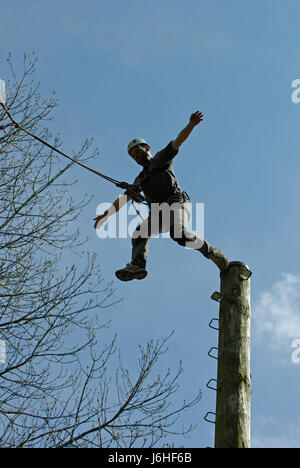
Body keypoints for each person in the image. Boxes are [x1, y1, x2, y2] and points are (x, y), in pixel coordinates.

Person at [94, 111, 229, 281]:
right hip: (158, 212)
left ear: (147, 148)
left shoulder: (160, 159)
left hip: (176, 204)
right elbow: (125, 199)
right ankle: (137, 266)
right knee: (139, 233)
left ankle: (213, 253)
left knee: (178, 234)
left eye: (137, 152)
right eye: (133, 156)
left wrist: (191, 125)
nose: (136, 157)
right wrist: (106, 215)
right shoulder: (141, 178)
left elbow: (177, 142)